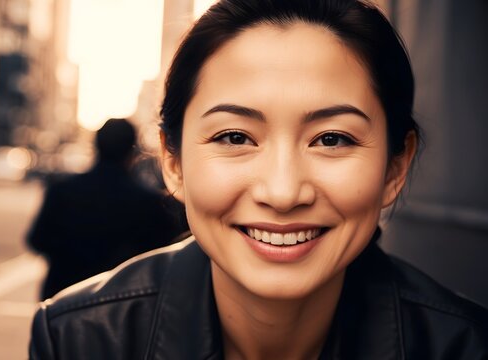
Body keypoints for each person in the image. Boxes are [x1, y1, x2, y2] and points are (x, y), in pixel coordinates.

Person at [29, 0, 488, 358]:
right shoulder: (80, 339)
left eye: (331, 139)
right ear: (173, 161)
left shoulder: (465, 347)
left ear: (395, 166)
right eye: (234, 136)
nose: (283, 192)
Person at [26, 118, 184, 300]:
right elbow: (162, 258)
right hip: (120, 304)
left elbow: (37, 240)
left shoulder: (62, 190)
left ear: (95, 146)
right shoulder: (150, 203)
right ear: (132, 151)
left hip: (61, 298)